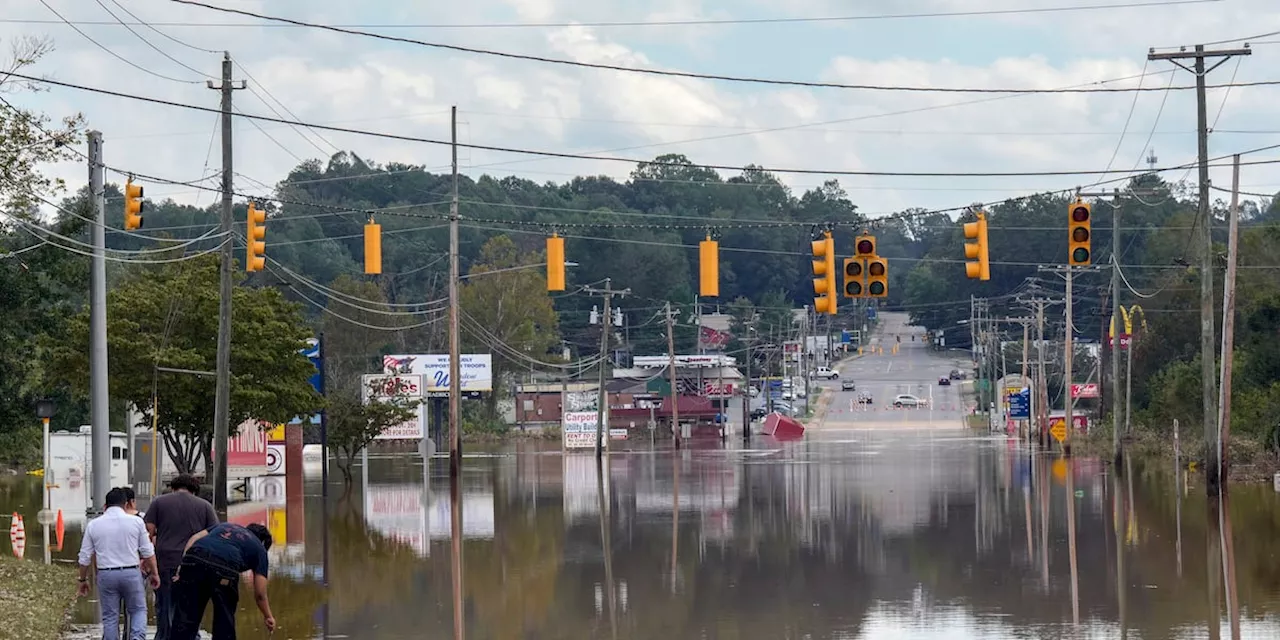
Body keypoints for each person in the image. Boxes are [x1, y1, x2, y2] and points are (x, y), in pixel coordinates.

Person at [77, 487, 161, 640]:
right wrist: (154, 574)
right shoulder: (136, 522)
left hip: (106, 574)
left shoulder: (94, 525)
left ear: (105, 506)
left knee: (110, 617)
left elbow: (84, 557)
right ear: (126, 504)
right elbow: (148, 551)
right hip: (131, 573)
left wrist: (83, 580)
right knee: (138, 611)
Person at [170, 522, 276, 639]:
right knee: (224, 620)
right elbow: (260, 594)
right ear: (263, 543)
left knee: (185, 617)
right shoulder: (260, 549)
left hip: (194, 557)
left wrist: (182, 566)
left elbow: (195, 537)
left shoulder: (225, 526)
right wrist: (268, 616)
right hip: (225, 567)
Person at [144, 474, 219, 640]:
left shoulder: (158, 502)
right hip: (194, 564)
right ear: (195, 490)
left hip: (165, 562)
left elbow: (147, 533)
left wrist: (146, 560)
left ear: (173, 487)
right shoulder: (205, 506)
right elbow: (215, 536)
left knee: (164, 605)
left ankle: (164, 636)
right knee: (191, 605)